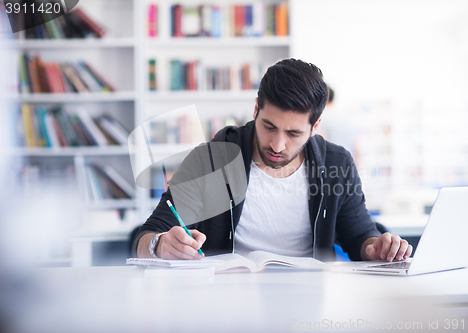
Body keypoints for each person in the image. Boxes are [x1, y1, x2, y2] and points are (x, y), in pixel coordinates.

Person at [132, 58, 412, 262]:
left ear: (315, 127)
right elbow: (144, 237)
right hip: (225, 302)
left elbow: (361, 237)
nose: (277, 145)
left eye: (293, 133)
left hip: (311, 301)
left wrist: (377, 247)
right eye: (268, 126)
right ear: (255, 109)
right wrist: (160, 245)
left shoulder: (335, 164)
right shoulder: (212, 160)